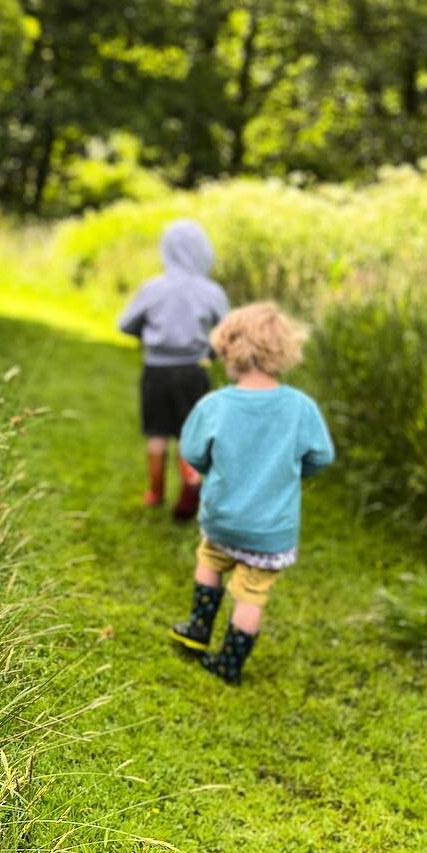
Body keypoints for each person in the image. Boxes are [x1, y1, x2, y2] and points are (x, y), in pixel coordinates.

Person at [169, 302, 335, 684]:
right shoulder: (300, 408)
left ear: (229, 348)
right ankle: (229, 663)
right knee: (252, 593)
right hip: (270, 531)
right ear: (285, 351)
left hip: (222, 518)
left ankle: (198, 626)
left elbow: (193, 452)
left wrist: (213, 468)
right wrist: (294, 472)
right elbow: (320, 456)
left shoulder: (215, 405)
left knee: (210, 560)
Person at [117, 220, 230, 519]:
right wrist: (212, 352)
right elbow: (228, 331)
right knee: (187, 433)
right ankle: (191, 479)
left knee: (156, 433)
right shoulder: (212, 292)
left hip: (156, 370)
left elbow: (125, 324)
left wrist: (147, 333)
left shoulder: (153, 288)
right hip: (194, 369)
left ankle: (155, 493)